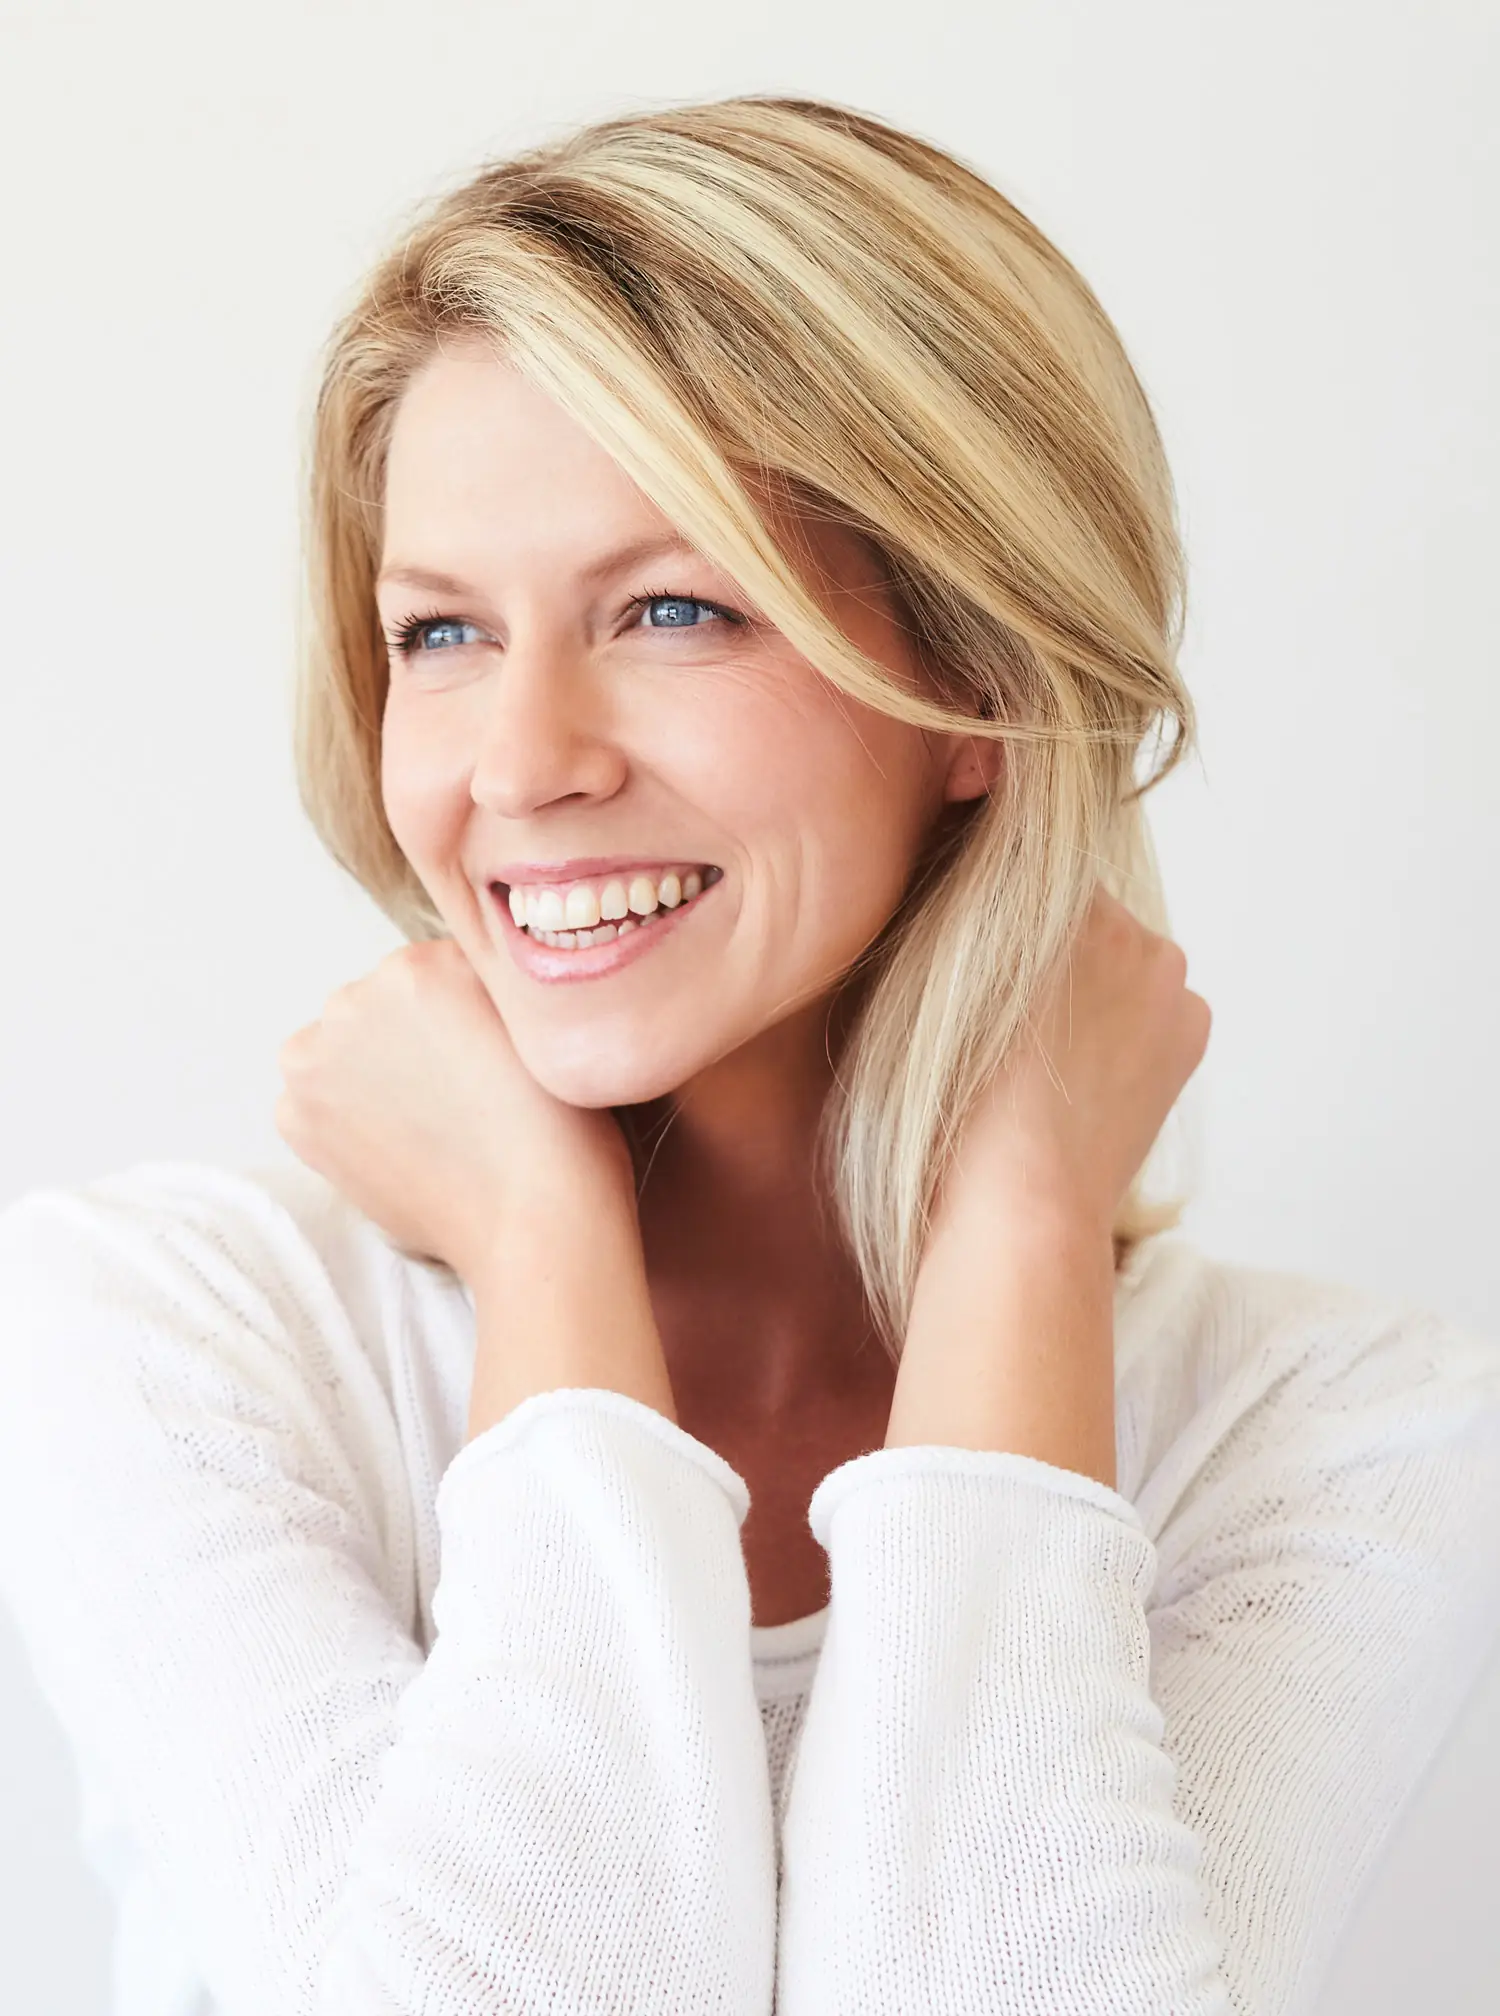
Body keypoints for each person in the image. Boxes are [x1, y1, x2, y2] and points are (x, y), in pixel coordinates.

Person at [2, 92, 1498, 2016]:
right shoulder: (167, 1337)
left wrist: (1022, 1225)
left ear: (979, 683)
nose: (524, 765)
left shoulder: (1342, 1436)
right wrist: (550, 1256)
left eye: (673, 609)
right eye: (442, 636)